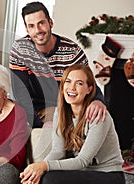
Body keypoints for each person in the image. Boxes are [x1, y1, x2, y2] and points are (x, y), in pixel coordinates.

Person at [20, 64, 125, 184]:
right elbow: (58, 151)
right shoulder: (61, 112)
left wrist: (44, 165)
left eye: (79, 83)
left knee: (52, 181)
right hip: (82, 174)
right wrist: (37, 170)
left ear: (89, 89)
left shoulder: (98, 116)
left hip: (110, 175)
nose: (72, 88)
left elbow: (83, 161)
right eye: (68, 82)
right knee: (34, 180)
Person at [9, 1, 107, 129]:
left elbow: (89, 83)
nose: (37, 30)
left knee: (101, 116)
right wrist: (40, 124)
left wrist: (98, 101)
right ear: (27, 29)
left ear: (50, 23)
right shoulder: (20, 50)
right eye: (31, 26)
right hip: (35, 110)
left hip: (66, 108)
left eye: (41, 23)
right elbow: (21, 95)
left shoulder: (72, 52)